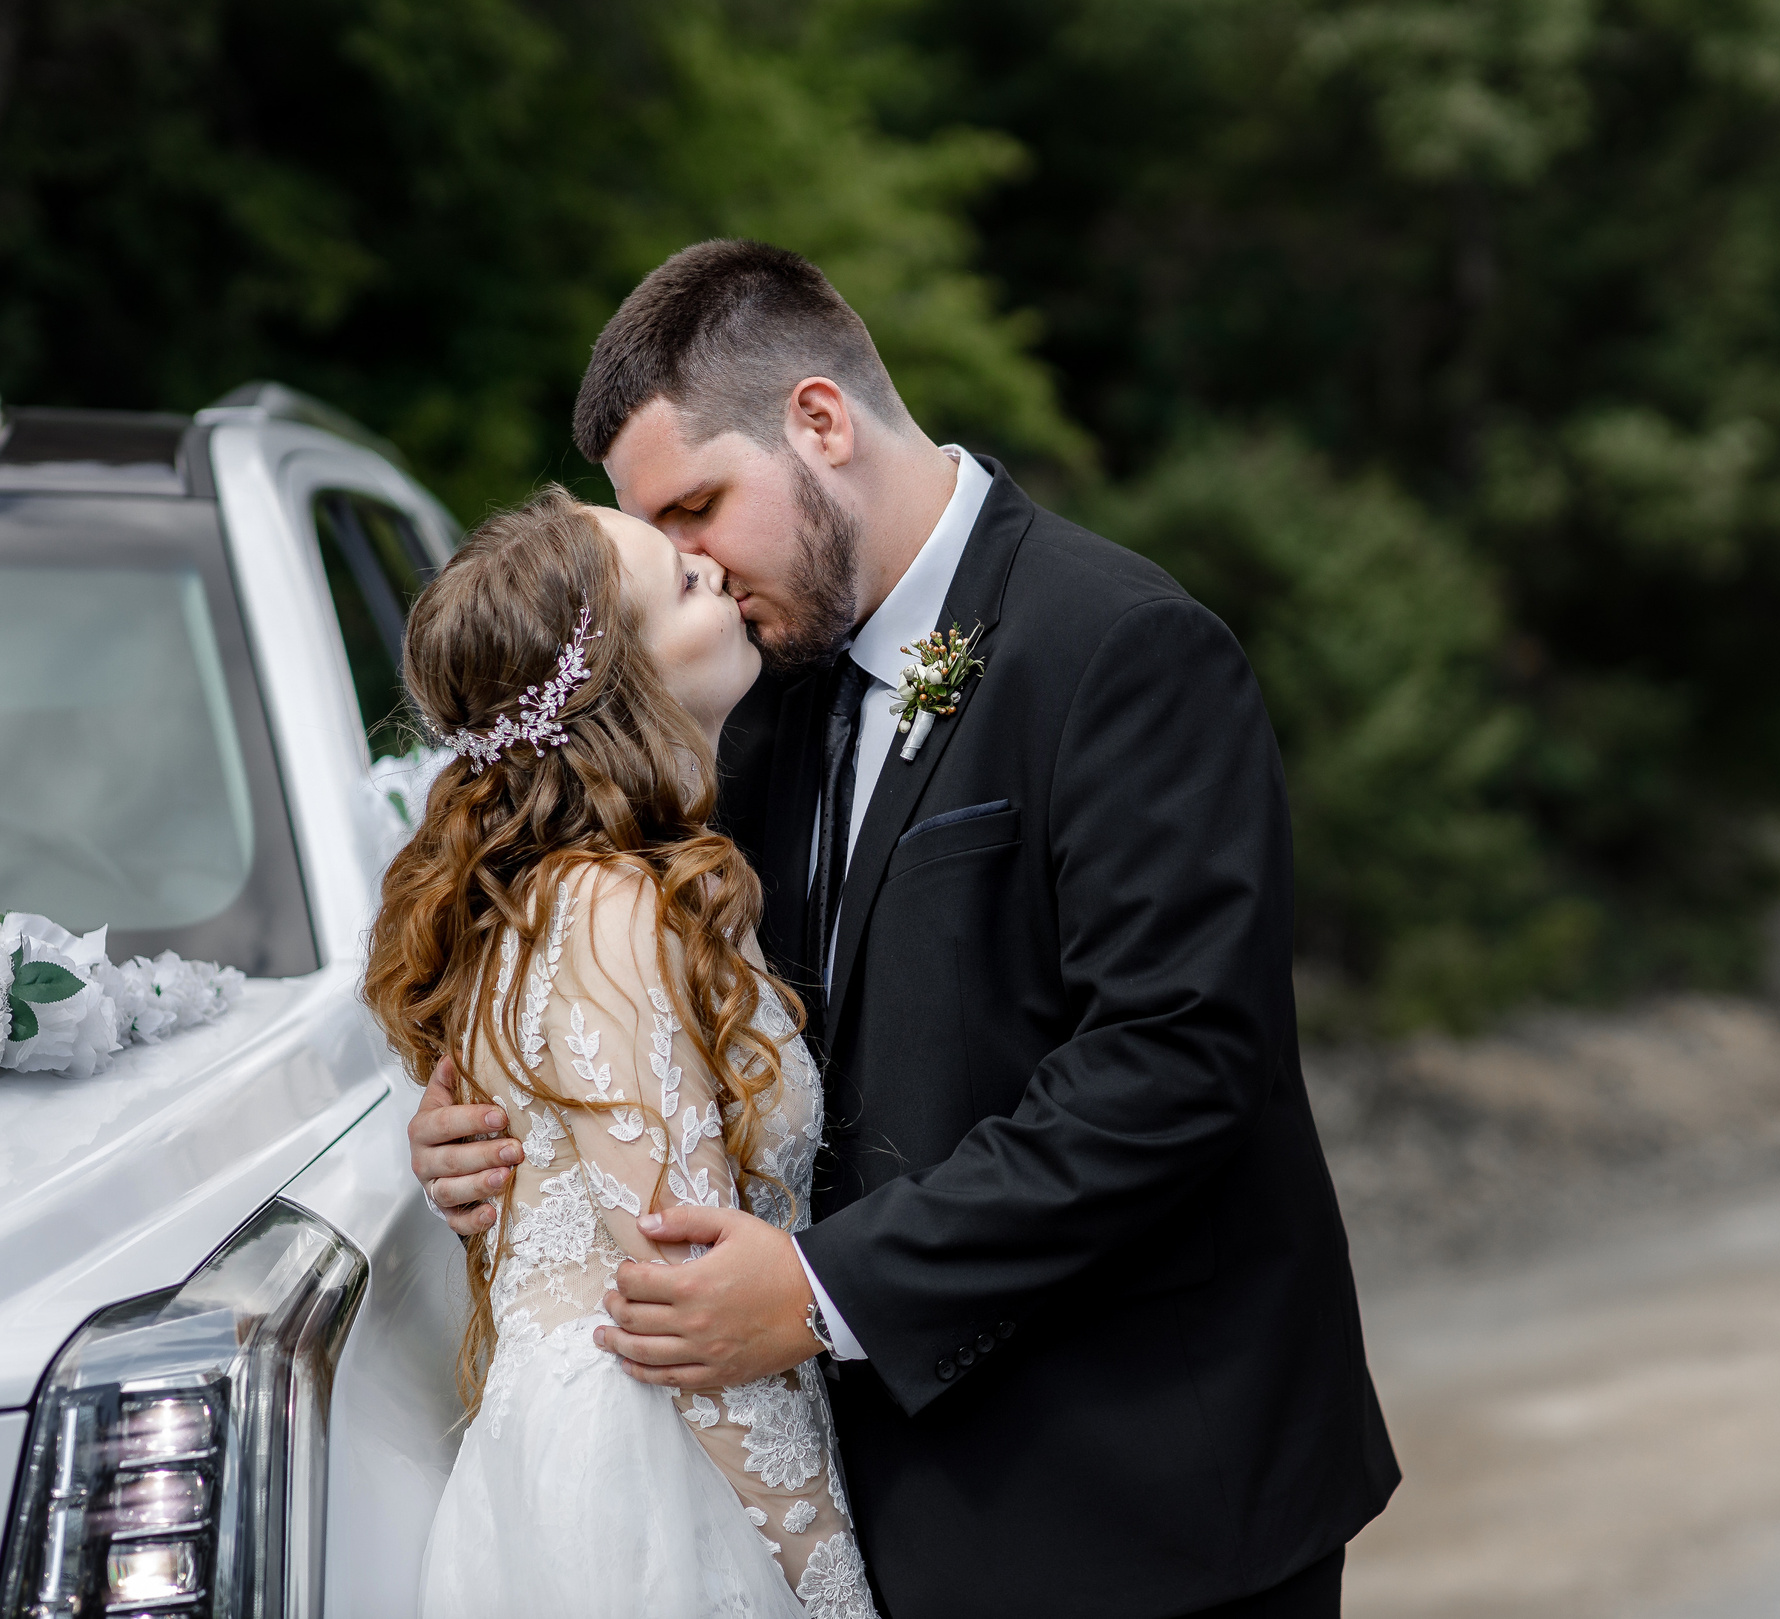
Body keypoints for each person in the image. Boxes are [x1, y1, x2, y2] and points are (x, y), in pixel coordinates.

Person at [409, 239, 1399, 1618]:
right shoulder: (753, 693)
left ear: (820, 421)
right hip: (882, 1507)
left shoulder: (1121, 647)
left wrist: (823, 1288)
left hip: (1143, 1506)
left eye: (699, 505)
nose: (687, 565)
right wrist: (503, 1135)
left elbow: (1176, 1061)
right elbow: (663, 1014)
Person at [364, 488, 879, 1616]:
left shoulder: (567, 894)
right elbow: (683, 1296)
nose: (718, 573)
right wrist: (835, 1585)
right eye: (683, 583)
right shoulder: (607, 906)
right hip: (652, 1483)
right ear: (622, 683)